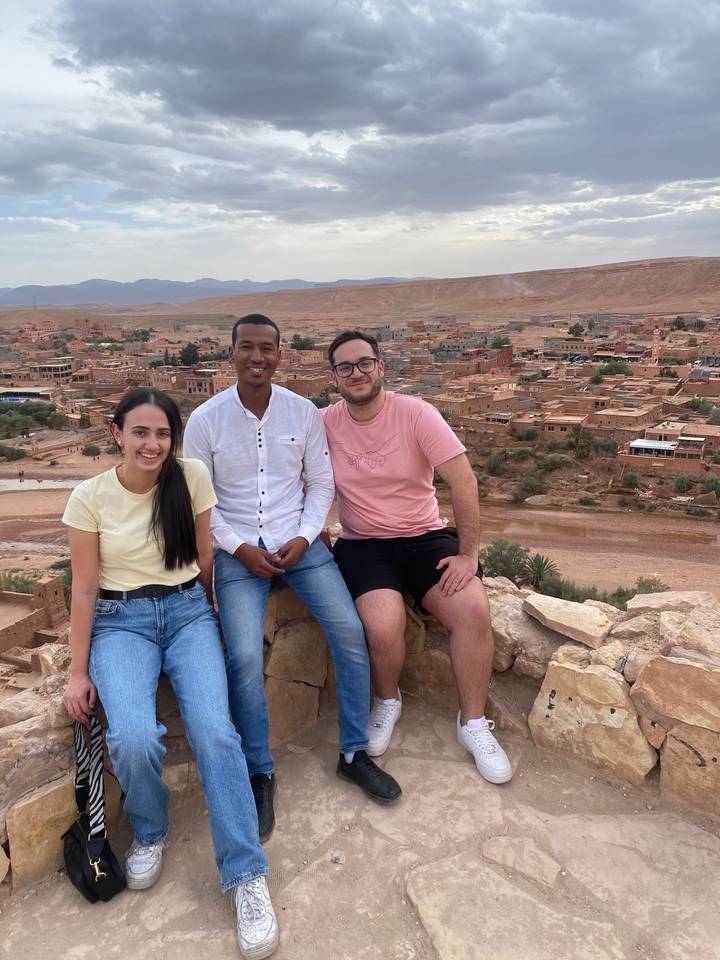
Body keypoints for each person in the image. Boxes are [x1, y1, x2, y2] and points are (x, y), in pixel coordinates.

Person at [62, 387, 278, 960]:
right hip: (119, 623)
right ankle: (151, 829)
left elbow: (204, 560)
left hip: (187, 613)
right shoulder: (89, 498)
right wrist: (77, 671)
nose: (152, 444)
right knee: (132, 737)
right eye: (140, 432)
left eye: (162, 433)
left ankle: (246, 875)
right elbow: (83, 589)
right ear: (117, 434)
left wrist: (212, 621)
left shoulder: (191, 478)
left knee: (215, 733)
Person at [183, 314, 401, 841]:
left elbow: (321, 483)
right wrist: (240, 549)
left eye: (267, 348)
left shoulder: (301, 412)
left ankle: (353, 752)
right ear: (232, 353)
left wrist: (304, 538)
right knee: (243, 657)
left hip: (298, 544)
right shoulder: (206, 421)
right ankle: (260, 771)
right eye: (247, 347)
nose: (257, 357)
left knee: (349, 632)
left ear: (280, 355)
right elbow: (200, 502)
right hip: (237, 553)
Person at [321, 331, 513, 786]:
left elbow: (463, 481)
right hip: (364, 544)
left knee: (472, 610)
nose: (356, 373)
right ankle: (388, 700)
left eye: (364, 363)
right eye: (345, 367)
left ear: (381, 367)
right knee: (383, 625)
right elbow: (299, 480)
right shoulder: (322, 423)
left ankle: (473, 722)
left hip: (426, 536)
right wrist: (313, 534)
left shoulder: (416, 413)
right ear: (334, 378)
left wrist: (468, 555)